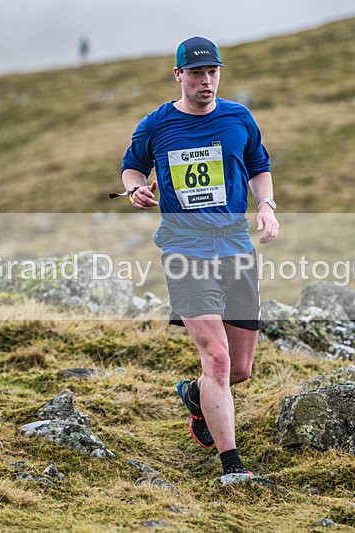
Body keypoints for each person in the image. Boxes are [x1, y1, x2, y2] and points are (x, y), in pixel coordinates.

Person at [119, 36, 279, 482]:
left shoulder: (238, 118)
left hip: (235, 250)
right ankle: (232, 465)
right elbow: (131, 166)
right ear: (179, 76)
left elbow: (259, 166)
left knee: (240, 369)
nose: (205, 81)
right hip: (184, 250)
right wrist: (137, 188)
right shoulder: (156, 125)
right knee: (218, 360)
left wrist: (266, 206)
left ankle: (194, 395)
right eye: (196, 73)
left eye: (212, 72)